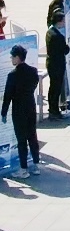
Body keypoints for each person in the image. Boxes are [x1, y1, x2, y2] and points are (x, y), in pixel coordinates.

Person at [2, 44, 42, 179]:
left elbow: (7, 96)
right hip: (30, 106)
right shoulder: (33, 71)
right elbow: (34, 84)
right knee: (32, 136)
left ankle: (23, 169)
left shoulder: (12, 75)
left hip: (19, 109)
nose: (11, 59)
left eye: (12, 57)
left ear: (18, 57)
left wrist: (3, 112)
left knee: (21, 139)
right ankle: (36, 164)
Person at [44, 12, 69, 120]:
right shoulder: (58, 36)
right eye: (63, 21)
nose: (64, 23)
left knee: (52, 87)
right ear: (59, 21)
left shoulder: (49, 32)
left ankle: (52, 109)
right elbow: (65, 50)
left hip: (51, 63)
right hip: (57, 65)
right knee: (56, 88)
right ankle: (54, 110)